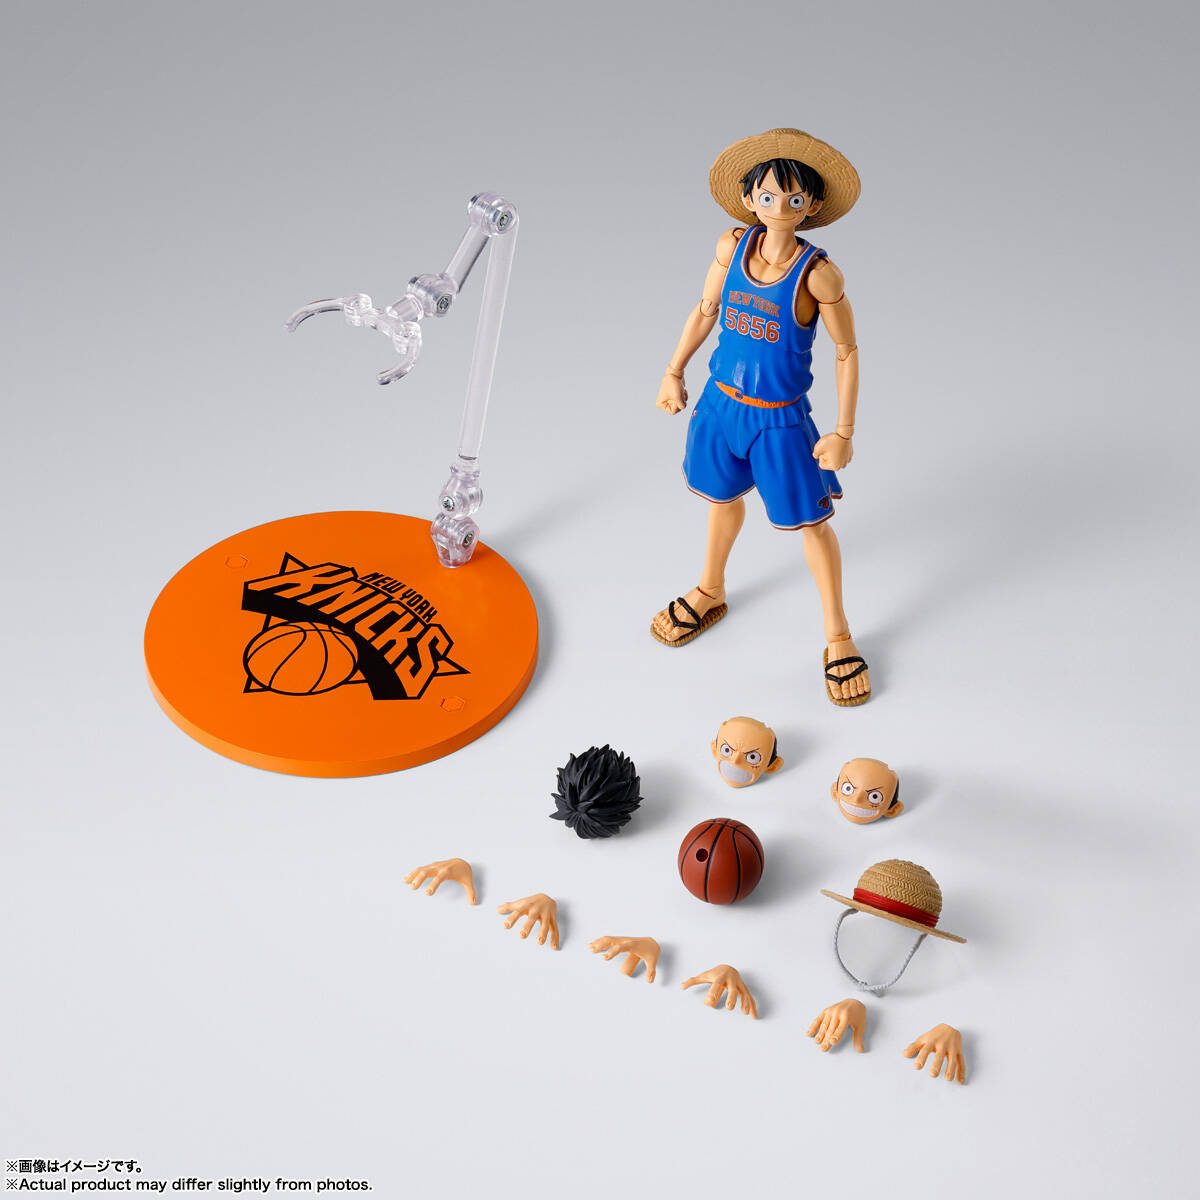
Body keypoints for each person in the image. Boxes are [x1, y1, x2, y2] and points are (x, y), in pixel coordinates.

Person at [650, 128, 870, 706]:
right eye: (768, 196)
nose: (780, 208)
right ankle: (710, 589)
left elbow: (847, 352)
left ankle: (838, 636)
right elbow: (705, 309)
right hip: (721, 405)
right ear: (749, 199)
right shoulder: (731, 248)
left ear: (812, 206)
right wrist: (673, 369)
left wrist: (844, 432)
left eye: (794, 199)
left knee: (812, 525)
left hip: (780, 421)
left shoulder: (819, 275)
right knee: (720, 500)